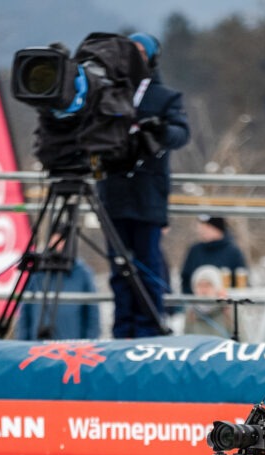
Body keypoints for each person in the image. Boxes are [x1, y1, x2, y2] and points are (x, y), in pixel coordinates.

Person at [97, 31, 190, 339]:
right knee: (118, 269)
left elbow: (181, 134)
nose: (133, 57)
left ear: (151, 57)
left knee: (148, 265)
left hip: (147, 194)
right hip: (113, 192)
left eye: (139, 51)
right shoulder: (108, 92)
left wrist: (159, 130)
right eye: (128, 51)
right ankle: (123, 329)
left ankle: (149, 328)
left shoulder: (165, 97)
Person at [15, 258, 100, 340]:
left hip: (72, 345)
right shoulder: (36, 273)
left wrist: (89, 344)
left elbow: (92, 316)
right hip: (37, 345)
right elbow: (24, 313)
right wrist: (23, 343)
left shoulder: (82, 272)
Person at [180, 215, 248, 294]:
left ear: (218, 228)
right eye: (201, 227)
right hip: (197, 300)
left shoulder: (233, 252)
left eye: (207, 227)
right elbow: (186, 279)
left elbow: (242, 281)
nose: (202, 231)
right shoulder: (195, 251)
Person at [183, 265, 232, 337]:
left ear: (217, 287)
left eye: (208, 285)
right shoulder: (191, 313)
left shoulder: (228, 310)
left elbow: (242, 339)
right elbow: (186, 339)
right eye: (199, 285)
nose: (203, 290)